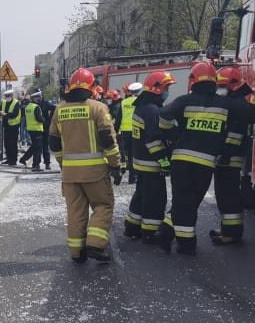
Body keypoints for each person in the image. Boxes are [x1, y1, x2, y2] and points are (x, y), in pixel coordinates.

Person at [155, 61, 255, 255]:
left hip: (181, 161)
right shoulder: (226, 104)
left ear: (193, 81)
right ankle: (180, 240)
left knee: (183, 200)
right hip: (204, 165)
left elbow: (164, 116)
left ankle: (178, 239)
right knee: (191, 202)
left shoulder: (183, 101)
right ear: (214, 82)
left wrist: (171, 134)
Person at [48, 68, 122, 263]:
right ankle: (95, 245)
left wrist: (63, 163)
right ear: (91, 87)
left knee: (75, 212)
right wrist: (116, 166)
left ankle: (76, 252)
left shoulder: (59, 109)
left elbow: (54, 142)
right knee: (103, 205)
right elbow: (108, 140)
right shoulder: (98, 108)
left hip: (70, 174)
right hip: (95, 172)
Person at [123, 71, 176, 244]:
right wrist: (164, 161)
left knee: (141, 195)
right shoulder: (153, 110)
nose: (168, 91)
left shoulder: (142, 107)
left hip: (140, 162)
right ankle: (149, 232)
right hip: (151, 163)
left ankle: (132, 226)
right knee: (155, 199)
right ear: (158, 89)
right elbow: (153, 140)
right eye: (167, 87)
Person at [209, 64, 255, 245]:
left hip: (229, 157)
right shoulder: (236, 102)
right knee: (224, 193)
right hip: (228, 156)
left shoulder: (237, 105)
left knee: (228, 195)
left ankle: (232, 233)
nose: (218, 90)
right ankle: (227, 228)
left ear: (231, 85)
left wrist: (224, 154)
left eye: (221, 86)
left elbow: (233, 135)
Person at [119, 82, 141, 183]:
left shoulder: (124, 102)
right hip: (136, 130)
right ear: (139, 91)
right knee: (135, 154)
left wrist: (115, 131)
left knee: (129, 154)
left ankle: (131, 176)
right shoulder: (140, 101)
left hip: (125, 132)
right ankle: (133, 177)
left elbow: (119, 118)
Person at [19, 91, 46, 171]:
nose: (40, 99)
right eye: (39, 98)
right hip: (37, 129)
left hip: (30, 129)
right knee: (37, 148)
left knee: (34, 146)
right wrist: (44, 120)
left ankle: (23, 159)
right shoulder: (36, 107)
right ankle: (35, 165)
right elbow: (38, 118)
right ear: (35, 98)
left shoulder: (28, 107)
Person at [0, 89, 22, 165]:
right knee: (7, 144)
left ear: (11, 96)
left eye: (8, 96)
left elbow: (15, 114)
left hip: (14, 126)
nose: (7, 97)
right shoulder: (4, 102)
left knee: (13, 144)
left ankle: (13, 160)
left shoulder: (16, 103)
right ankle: (8, 159)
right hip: (6, 126)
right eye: (6, 96)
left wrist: (6, 114)